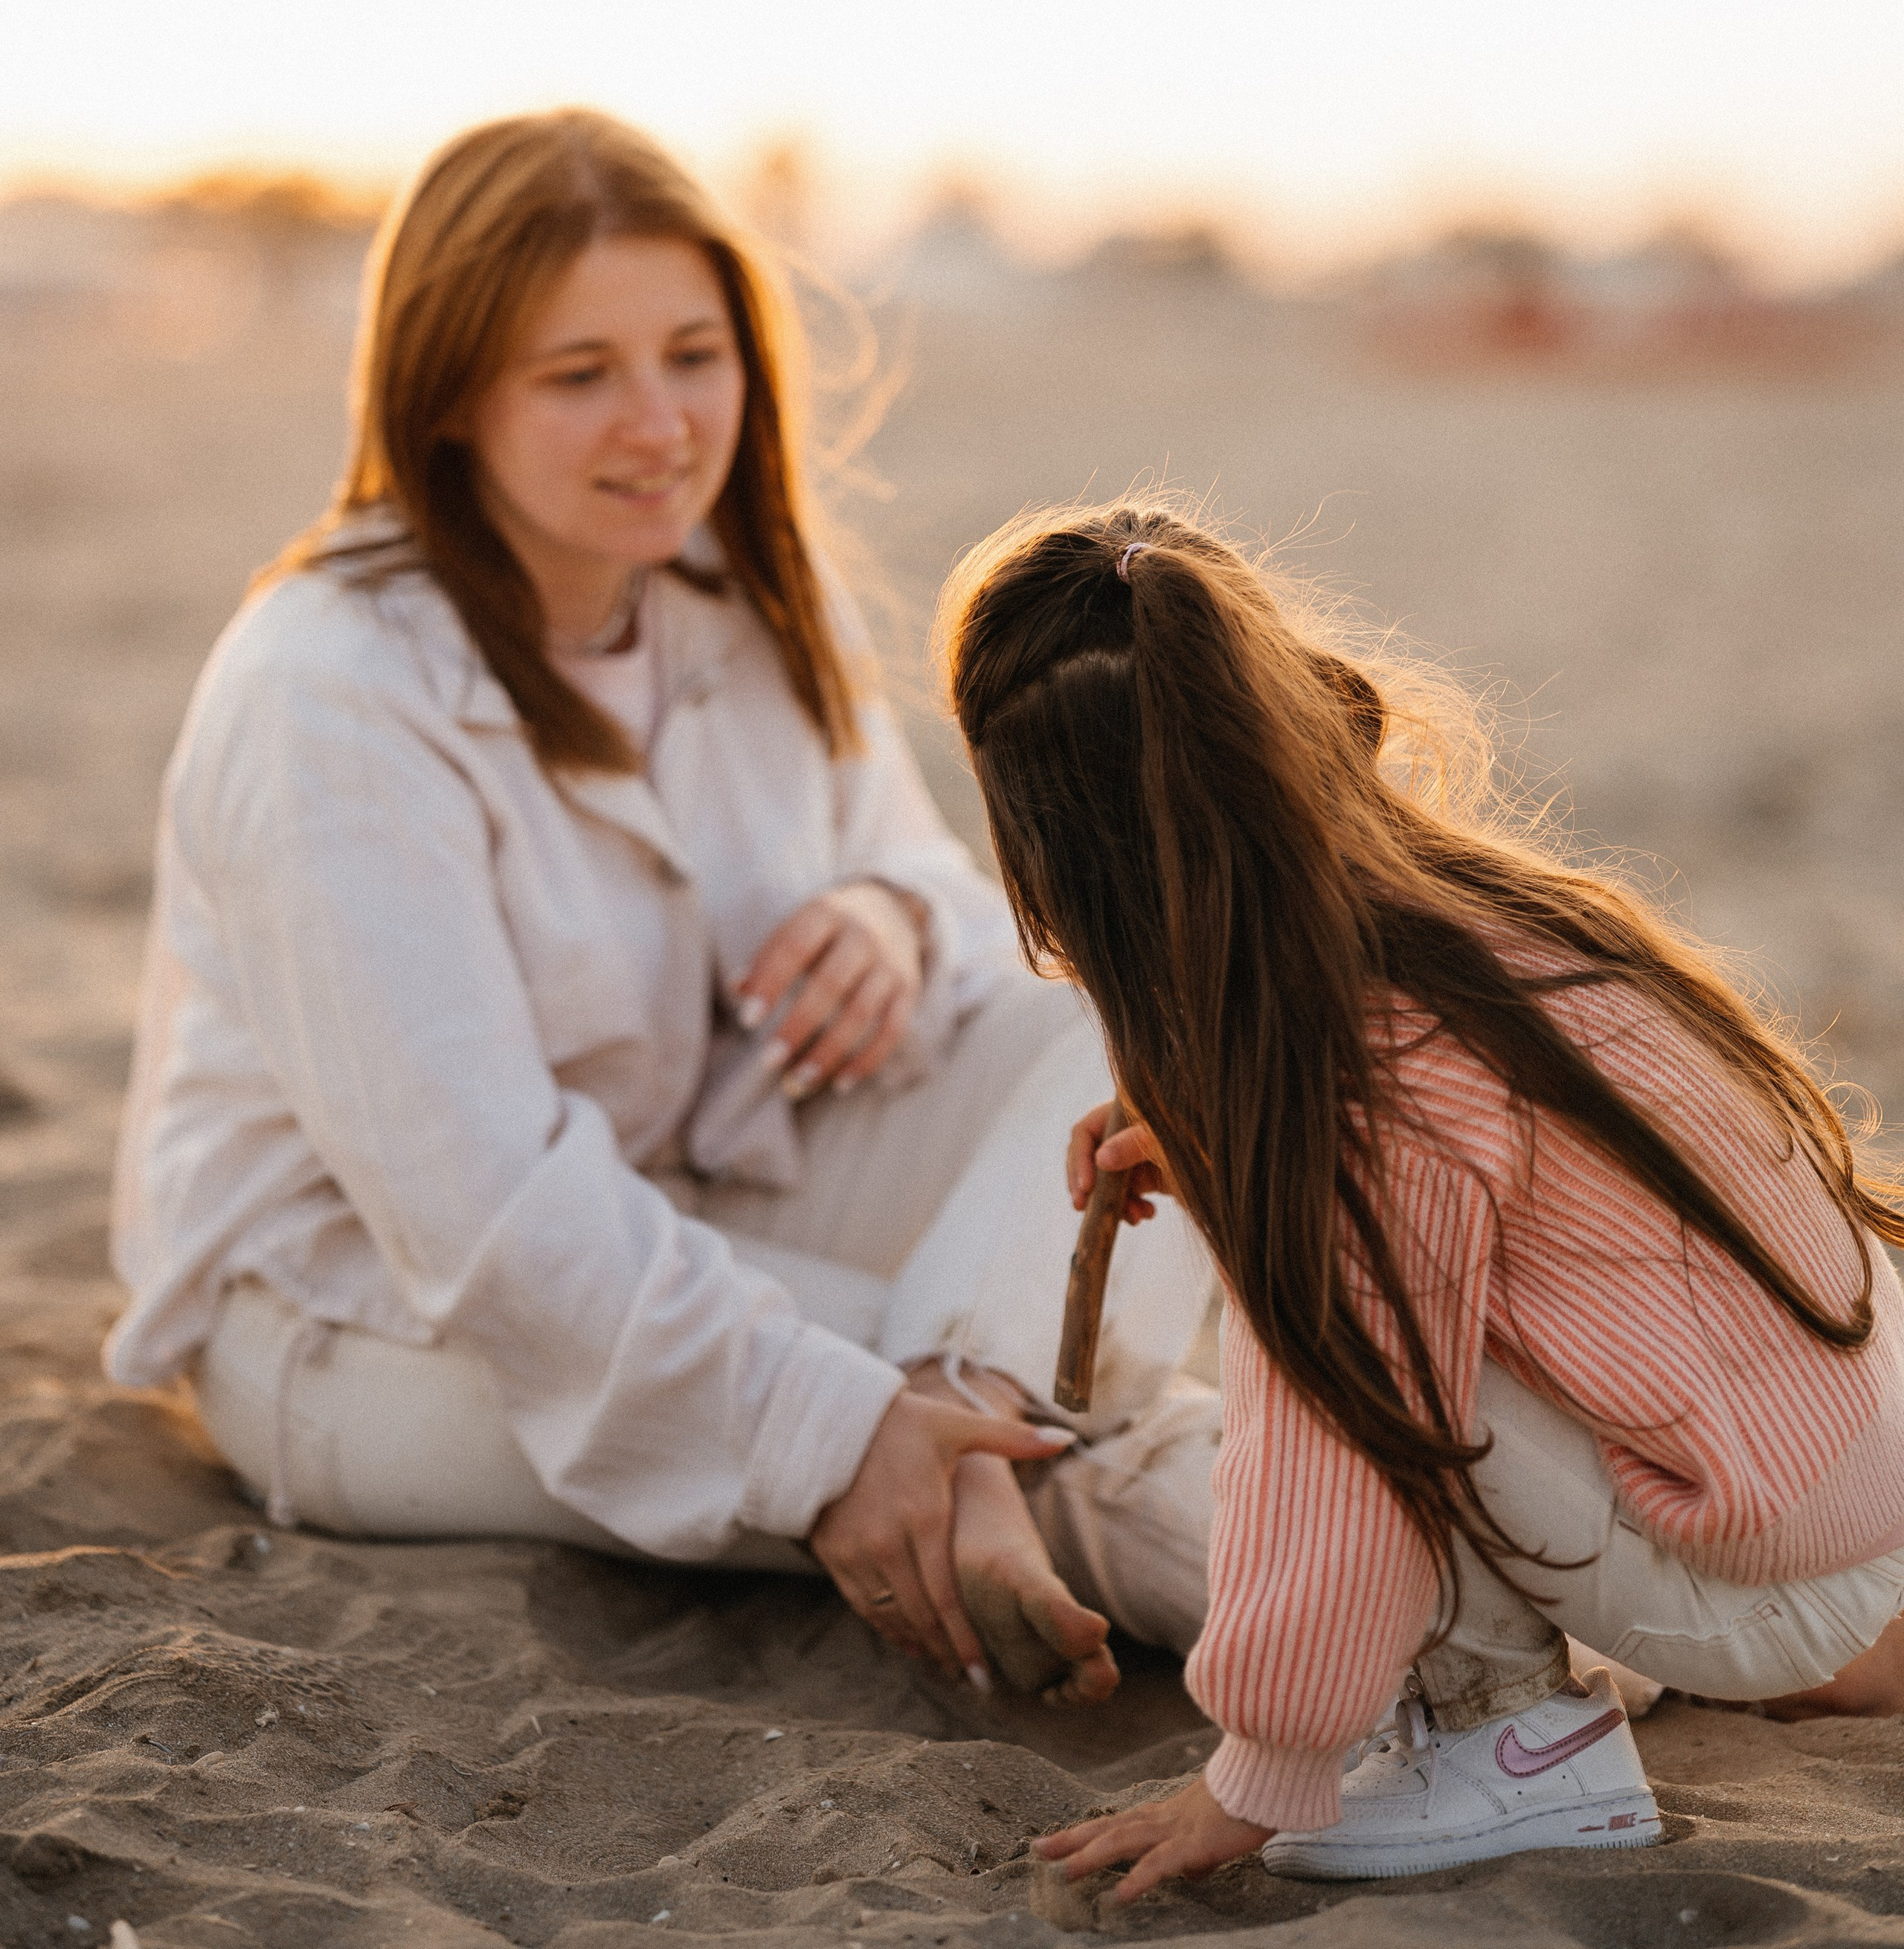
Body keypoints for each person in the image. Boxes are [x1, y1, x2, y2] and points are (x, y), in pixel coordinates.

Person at [107, 113, 1220, 1702]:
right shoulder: (325, 692)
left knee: (1155, 1017)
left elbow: (945, 899)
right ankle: (1438, 1626)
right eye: (580, 375)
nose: (659, 424)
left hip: (712, 1177)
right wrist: (835, 1432)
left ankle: (990, 1418)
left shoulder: (743, 592)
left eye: (695, 356)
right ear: (448, 398)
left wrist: (887, 918)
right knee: (1004, 1444)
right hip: (365, 1311)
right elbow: (487, 1211)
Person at [936, 504, 1904, 1887]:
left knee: (1352, 1375)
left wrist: (1257, 1775)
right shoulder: (1454, 920)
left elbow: (1335, 1457)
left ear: (1061, 852)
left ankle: (1515, 1745)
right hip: (1842, 1467)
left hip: (1765, 1567)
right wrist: (1214, 1148)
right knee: (1372, 1306)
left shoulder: (1354, 1081)